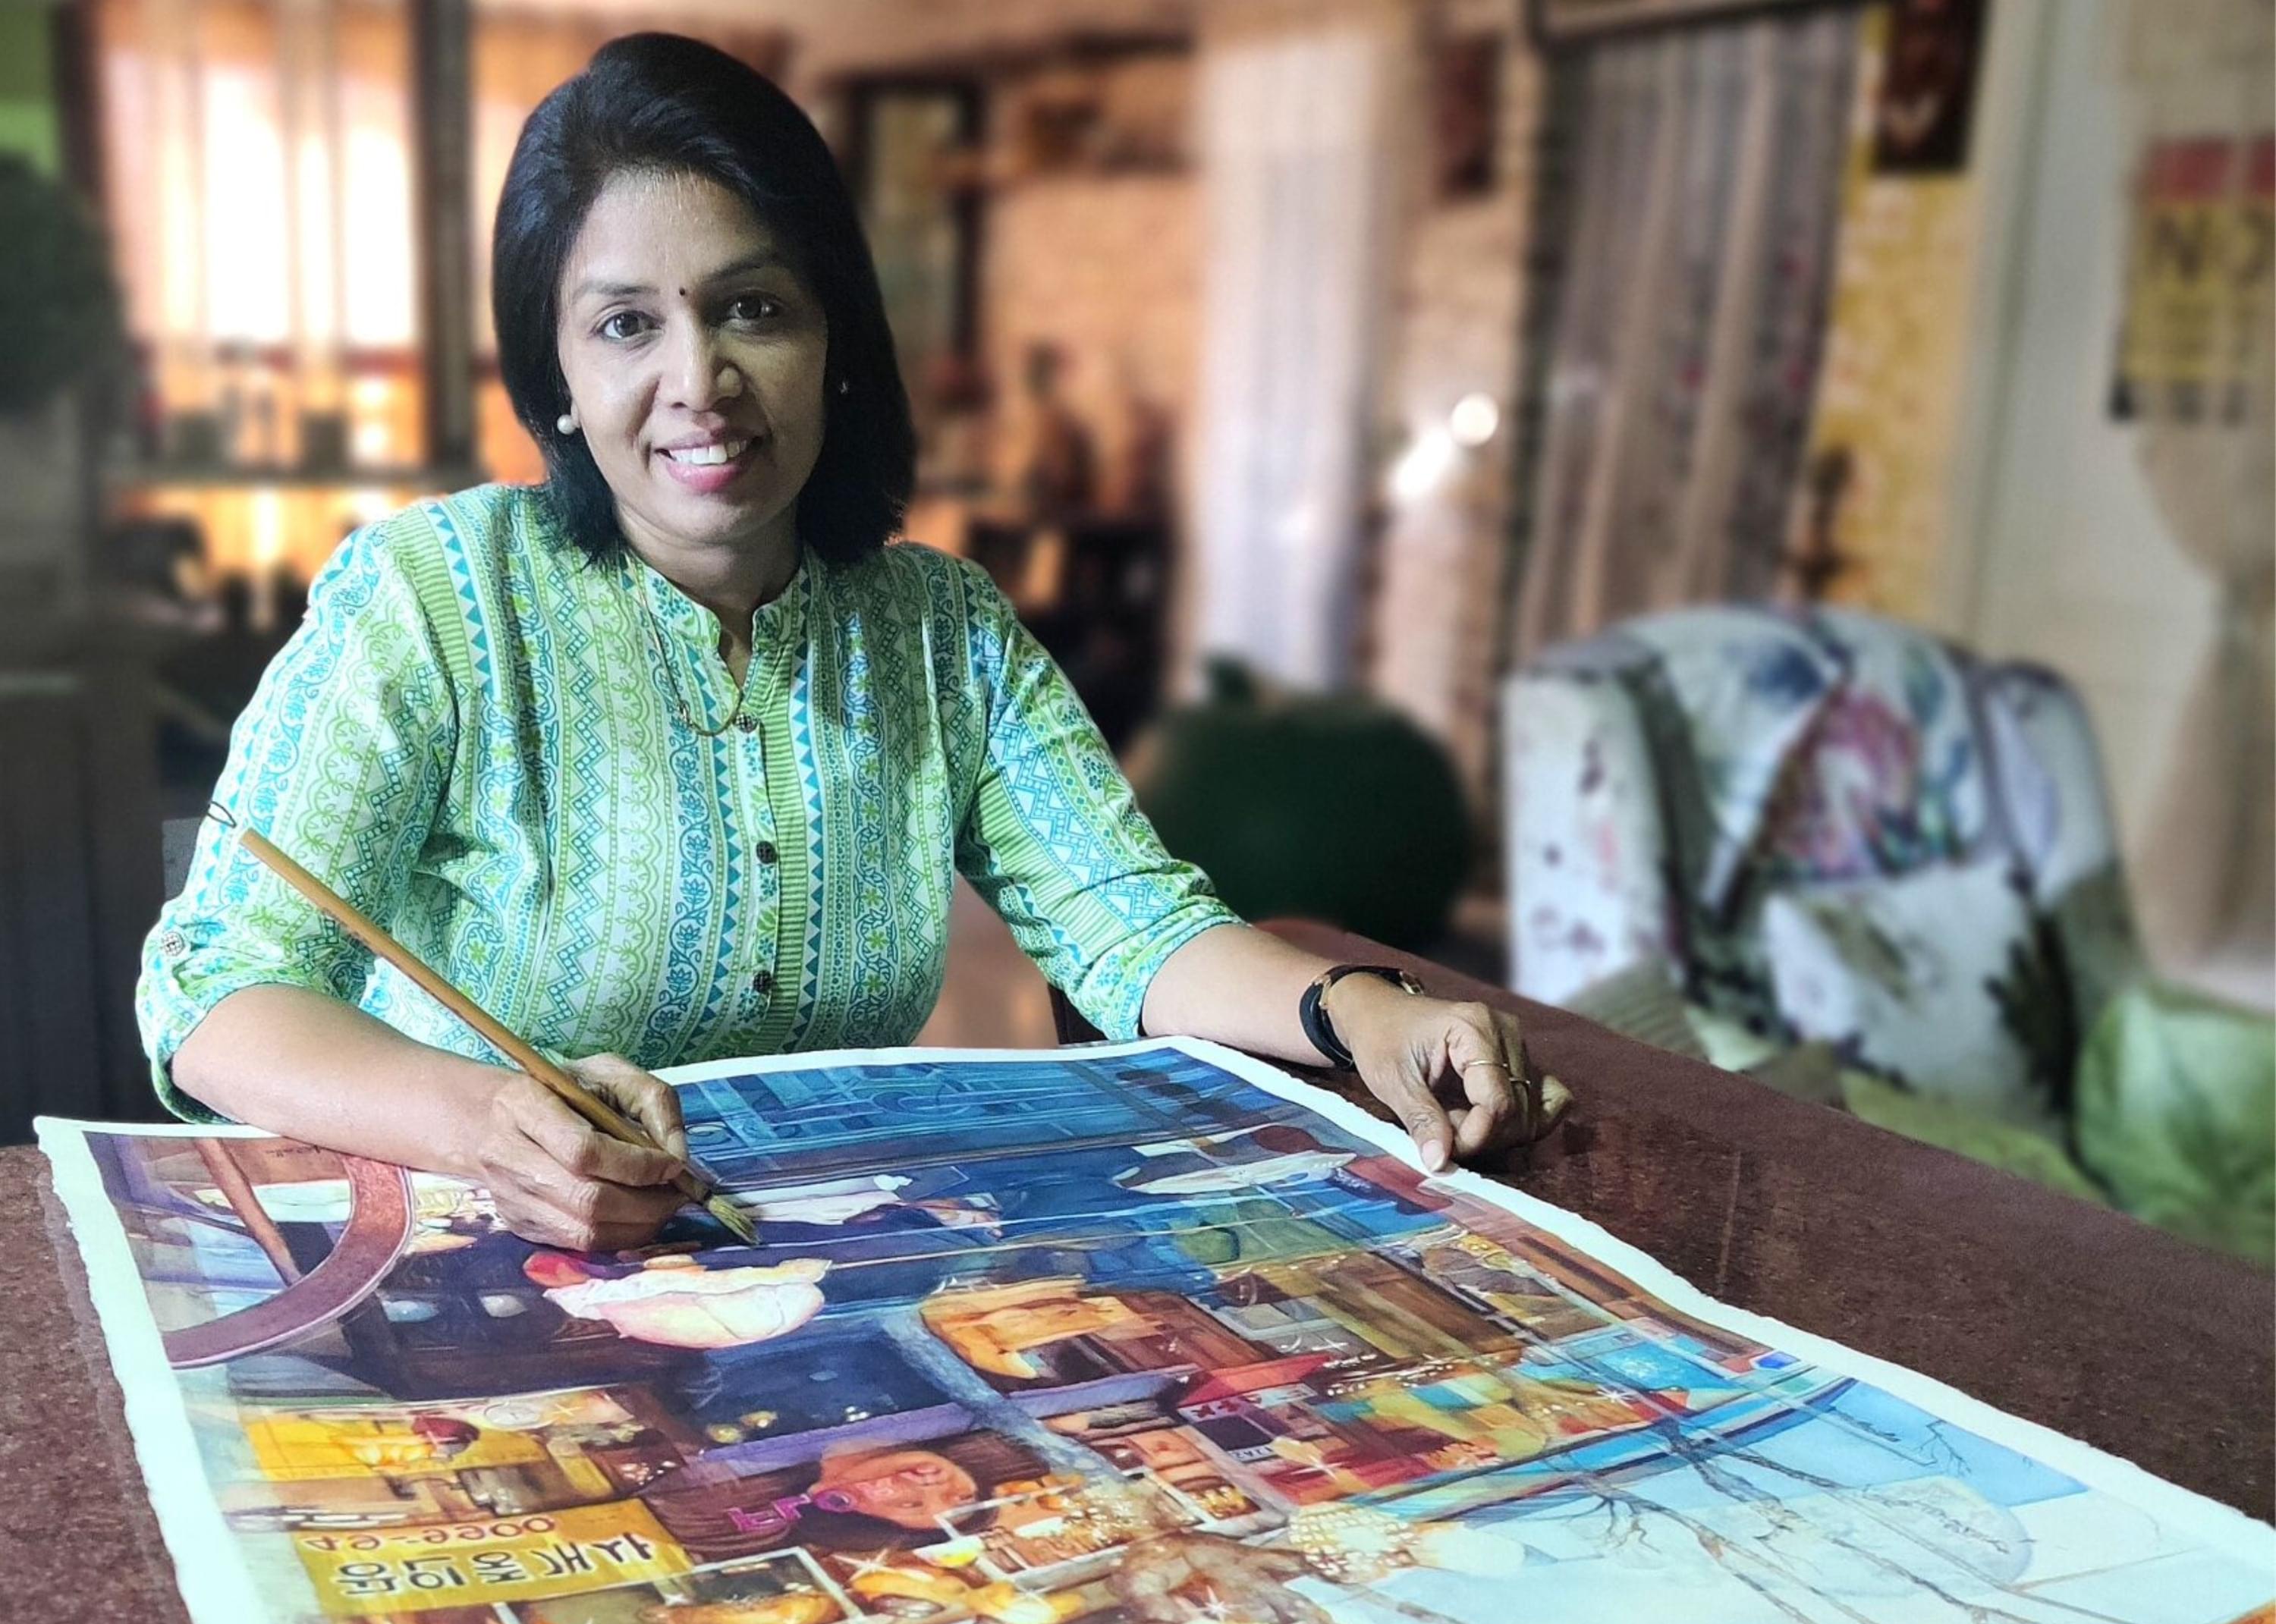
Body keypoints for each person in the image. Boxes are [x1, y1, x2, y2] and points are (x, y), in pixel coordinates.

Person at [140, 35, 1562, 1255]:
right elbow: (212, 989)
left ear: (833, 339)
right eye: (626, 324)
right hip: (479, 1250)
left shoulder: (940, 631)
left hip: (819, 1249)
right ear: (555, 374)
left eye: (752, 308)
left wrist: (1360, 1011)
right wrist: (488, 1124)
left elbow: (1129, 925)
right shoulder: (432, 602)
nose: (698, 382)